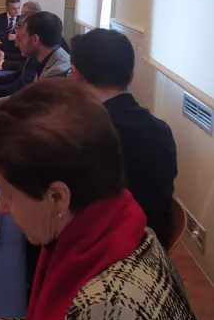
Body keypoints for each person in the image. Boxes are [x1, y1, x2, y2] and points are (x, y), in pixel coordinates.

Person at [0, 80, 204, 320]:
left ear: (57, 197)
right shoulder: (118, 227)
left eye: (7, 192)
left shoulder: (105, 311)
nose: (2, 208)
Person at [71, 28, 177, 246]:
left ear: (75, 74)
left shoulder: (82, 133)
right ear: (131, 75)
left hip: (104, 254)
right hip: (153, 249)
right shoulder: (161, 131)